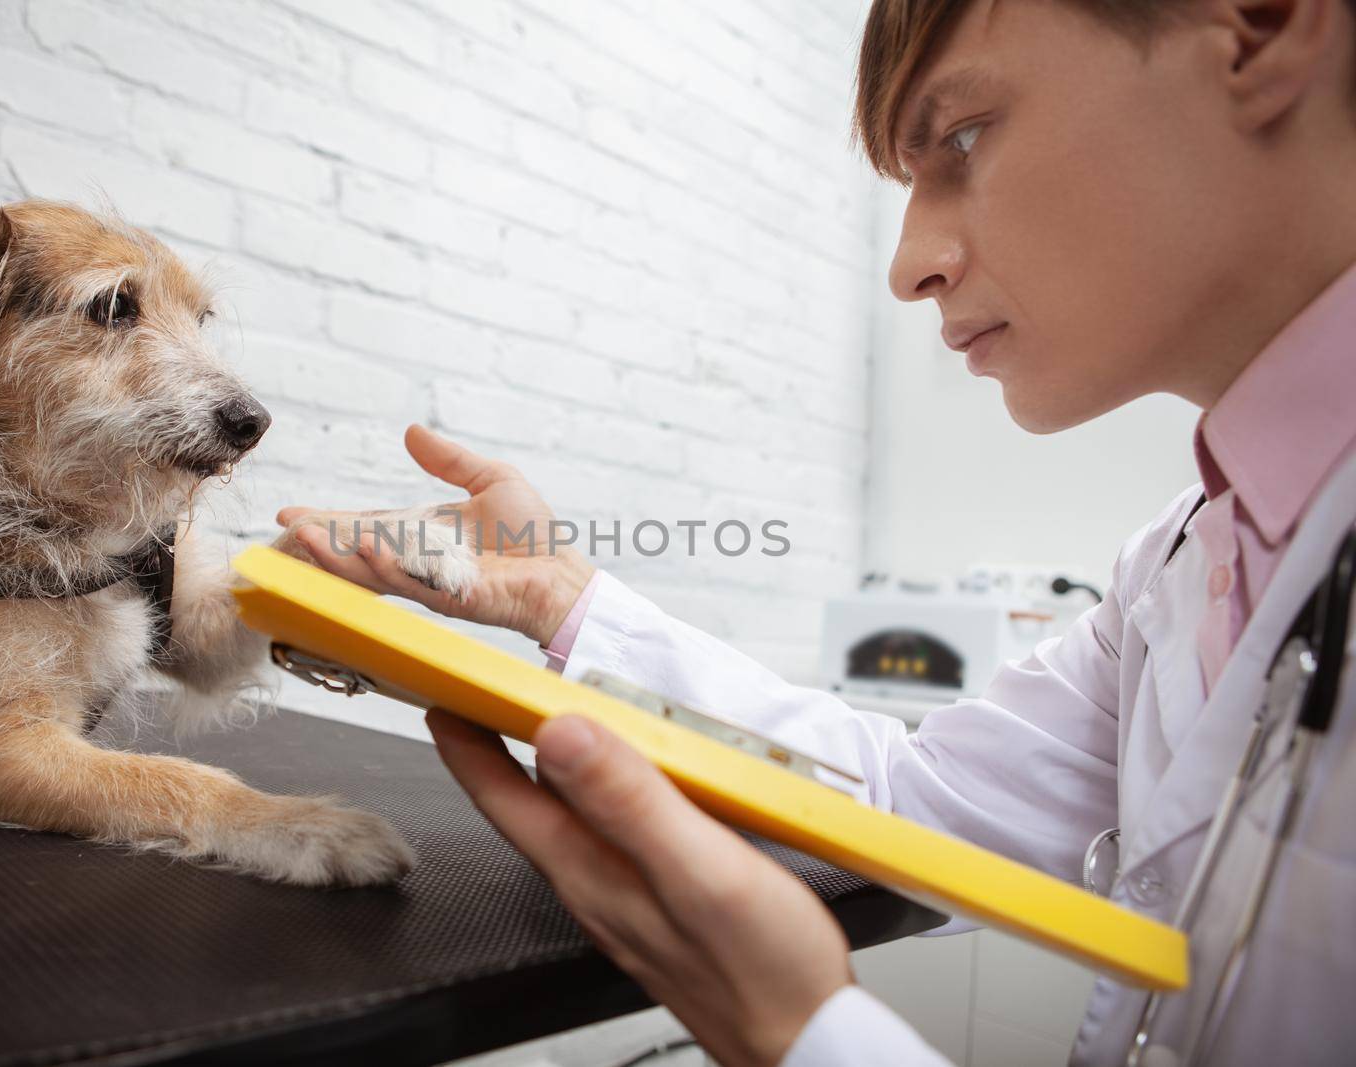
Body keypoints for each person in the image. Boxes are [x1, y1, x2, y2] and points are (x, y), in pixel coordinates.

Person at [277, 0, 1356, 1063]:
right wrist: (555, 596)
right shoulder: (1180, 560)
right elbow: (902, 807)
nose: (907, 266)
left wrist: (799, 1030)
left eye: (965, 138)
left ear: (1258, 26)